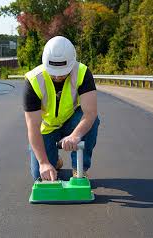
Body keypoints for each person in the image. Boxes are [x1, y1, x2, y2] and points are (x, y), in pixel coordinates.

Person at [23, 36, 100, 181]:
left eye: (62, 72)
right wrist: (44, 163)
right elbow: (32, 126)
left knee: (93, 122)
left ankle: (79, 169)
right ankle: (53, 160)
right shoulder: (33, 80)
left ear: (72, 62)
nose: (58, 76)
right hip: (46, 128)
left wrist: (76, 136)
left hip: (72, 121)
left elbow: (90, 113)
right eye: (53, 72)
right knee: (40, 175)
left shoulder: (82, 72)